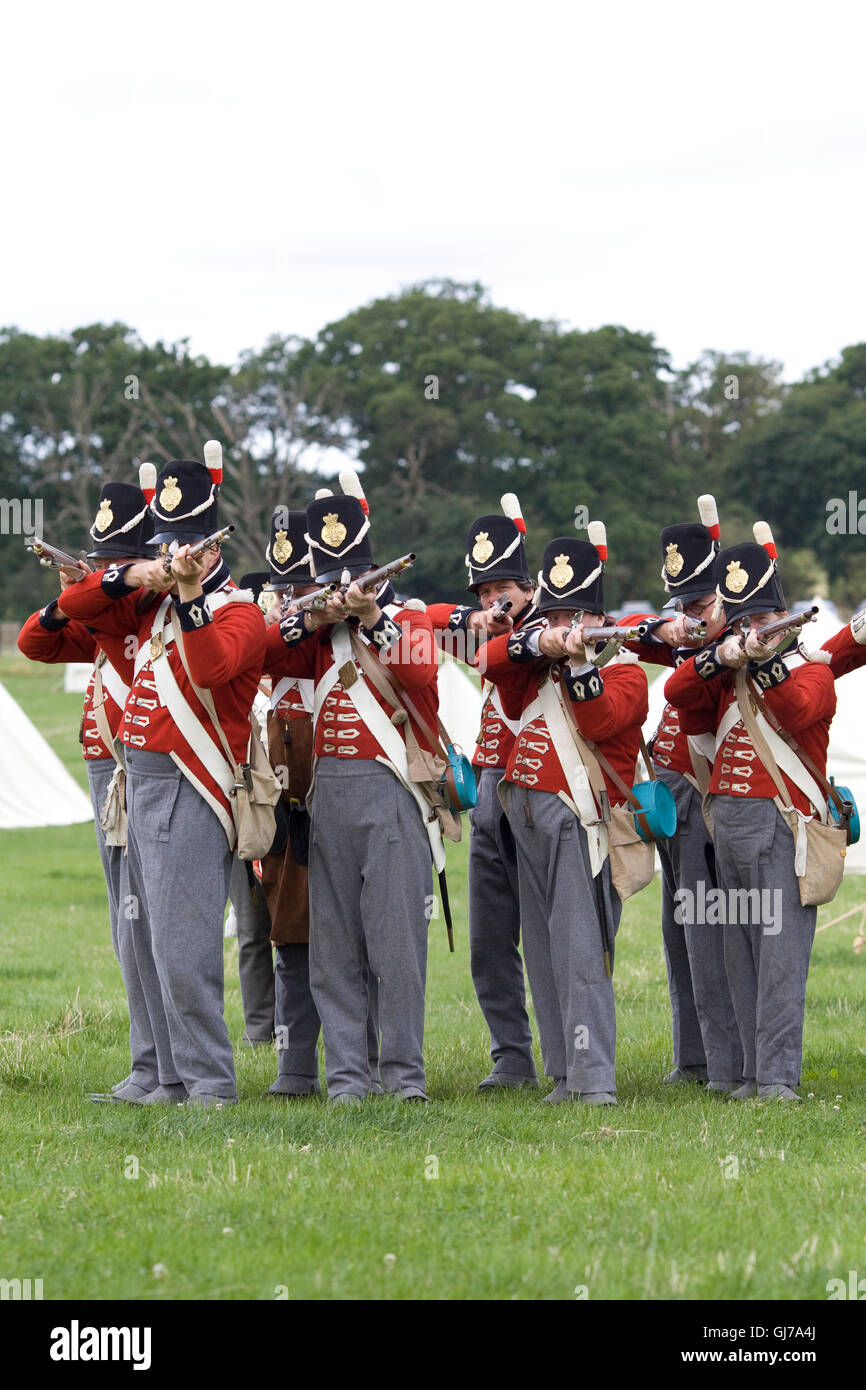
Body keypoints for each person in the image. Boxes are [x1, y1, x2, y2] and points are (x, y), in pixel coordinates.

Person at [58, 451, 266, 1106]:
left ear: (211, 548)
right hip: (141, 782)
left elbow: (210, 670)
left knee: (183, 946)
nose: (175, 554)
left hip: (191, 782)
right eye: (165, 543)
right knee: (146, 940)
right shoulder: (150, 603)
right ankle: (165, 1076)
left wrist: (189, 594)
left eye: (184, 544)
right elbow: (74, 601)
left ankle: (209, 1084)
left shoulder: (238, 610)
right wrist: (137, 572)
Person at [263, 490, 439, 1104]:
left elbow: (419, 672)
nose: (342, 587)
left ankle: (403, 1077)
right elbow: (261, 650)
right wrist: (314, 615)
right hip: (327, 791)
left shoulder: (407, 617)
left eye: (349, 575)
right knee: (332, 944)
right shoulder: (317, 630)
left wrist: (371, 617)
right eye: (329, 577)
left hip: (391, 789)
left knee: (396, 944)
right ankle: (345, 1080)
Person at [18, 476, 177, 1104]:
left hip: (154, 768)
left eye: (120, 562)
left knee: (155, 926)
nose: (105, 574)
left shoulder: (159, 617)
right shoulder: (102, 612)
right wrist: (71, 595)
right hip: (106, 769)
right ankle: (146, 1065)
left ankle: (171, 1070)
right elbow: (35, 641)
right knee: (126, 925)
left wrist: (108, 585)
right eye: (101, 561)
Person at [477, 529, 648, 1105]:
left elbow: (601, 724)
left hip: (580, 820)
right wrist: (542, 643)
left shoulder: (621, 670)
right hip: (525, 813)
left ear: (595, 617)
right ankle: (562, 1072)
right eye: (555, 614)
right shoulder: (533, 662)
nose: (564, 624)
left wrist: (578, 663)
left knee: (581, 952)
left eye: (574, 614)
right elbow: (491, 657)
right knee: (546, 948)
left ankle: (594, 1078)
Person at [664, 534, 836, 1101]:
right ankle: (749, 1074)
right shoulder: (728, 672)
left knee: (779, 960)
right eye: (741, 620)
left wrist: (763, 663)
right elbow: (678, 689)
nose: (751, 628)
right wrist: (728, 653)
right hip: (729, 828)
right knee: (739, 953)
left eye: (760, 618)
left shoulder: (810, 671)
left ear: (784, 618)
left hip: (782, 827)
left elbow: (798, 708)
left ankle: (779, 1077)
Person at [619, 506, 744, 1094]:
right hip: (667, 790)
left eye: (698, 604)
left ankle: (723, 1066)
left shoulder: (740, 640)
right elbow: (630, 630)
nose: (688, 616)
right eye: (681, 604)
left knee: (705, 928)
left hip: (706, 793)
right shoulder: (682, 633)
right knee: (677, 930)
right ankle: (692, 1057)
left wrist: (711, 630)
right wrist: (669, 628)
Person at [425, 494, 539, 1089]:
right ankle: (511, 1057)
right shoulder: (481, 626)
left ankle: (576, 1059)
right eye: (484, 592)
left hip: (549, 794)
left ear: (531, 586)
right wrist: (471, 622)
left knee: (554, 939)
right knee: (490, 941)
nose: (496, 601)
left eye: (505, 590)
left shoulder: (555, 631)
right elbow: (418, 623)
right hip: (491, 791)